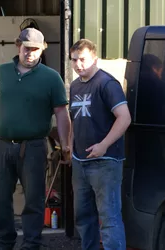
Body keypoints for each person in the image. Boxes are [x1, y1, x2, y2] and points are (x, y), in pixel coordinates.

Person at [0, 28, 72, 250]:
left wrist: (66, 145)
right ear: (18, 46)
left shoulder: (51, 78)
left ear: (42, 49)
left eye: (35, 49)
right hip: (3, 145)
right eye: (26, 48)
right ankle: (4, 242)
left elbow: (62, 113)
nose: (30, 53)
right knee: (1, 198)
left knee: (34, 199)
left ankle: (31, 244)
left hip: (34, 147)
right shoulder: (0, 73)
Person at [67, 38, 130, 250]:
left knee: (109, 218)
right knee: (84, 218)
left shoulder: (107, 84)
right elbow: (74, 120)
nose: (78, 65)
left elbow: (124, 118)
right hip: (80, 162)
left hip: (105, 162)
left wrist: (103, 145)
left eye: (82, 59)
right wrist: (70, 146)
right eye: (74, 60)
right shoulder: (74, 85)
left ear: (94, 58)